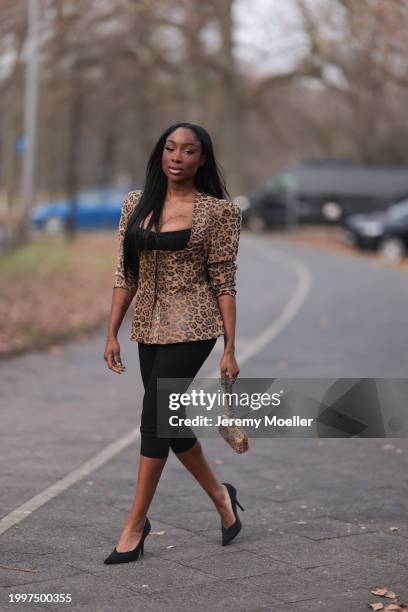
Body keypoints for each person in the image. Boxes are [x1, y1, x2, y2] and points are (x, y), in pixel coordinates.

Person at [103, 122, 244, 565]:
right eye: (169, 148)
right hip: (146, 322)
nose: (176, 157)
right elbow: (125, 273)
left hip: (195, 322)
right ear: (160, 152)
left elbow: (224, 282)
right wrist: (112, 332)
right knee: (171, 419)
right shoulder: (135, 204)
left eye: (187, 151)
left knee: (155, 414)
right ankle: (223, 498)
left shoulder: (218, 213)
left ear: (202, 159)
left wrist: (229, 348)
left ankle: (135, 524)